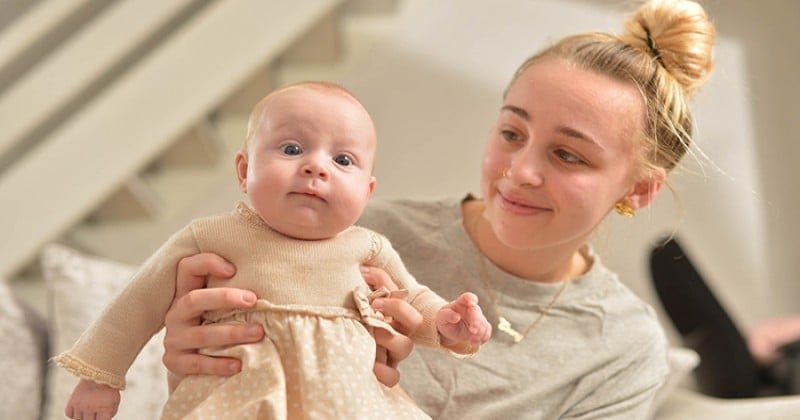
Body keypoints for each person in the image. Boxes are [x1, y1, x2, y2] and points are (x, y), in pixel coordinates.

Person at [162, 0, 717, 418]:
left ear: (638, 191)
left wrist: (382, 388)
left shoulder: (621, 349)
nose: (520, 170)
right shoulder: (356, 232)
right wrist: (191, 359)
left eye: (567, 154)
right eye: (511, 131)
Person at [55, 81, 492, 420]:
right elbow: (137, 302)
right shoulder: (211, 237)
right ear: (245, 170)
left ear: (368, 190)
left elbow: (411, 298)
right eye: (291, 148)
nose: (316, 166)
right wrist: (101, 378)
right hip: (238, 398)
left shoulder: (366, 247)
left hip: (348, 403)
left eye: (343, 161)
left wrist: (447, 323)